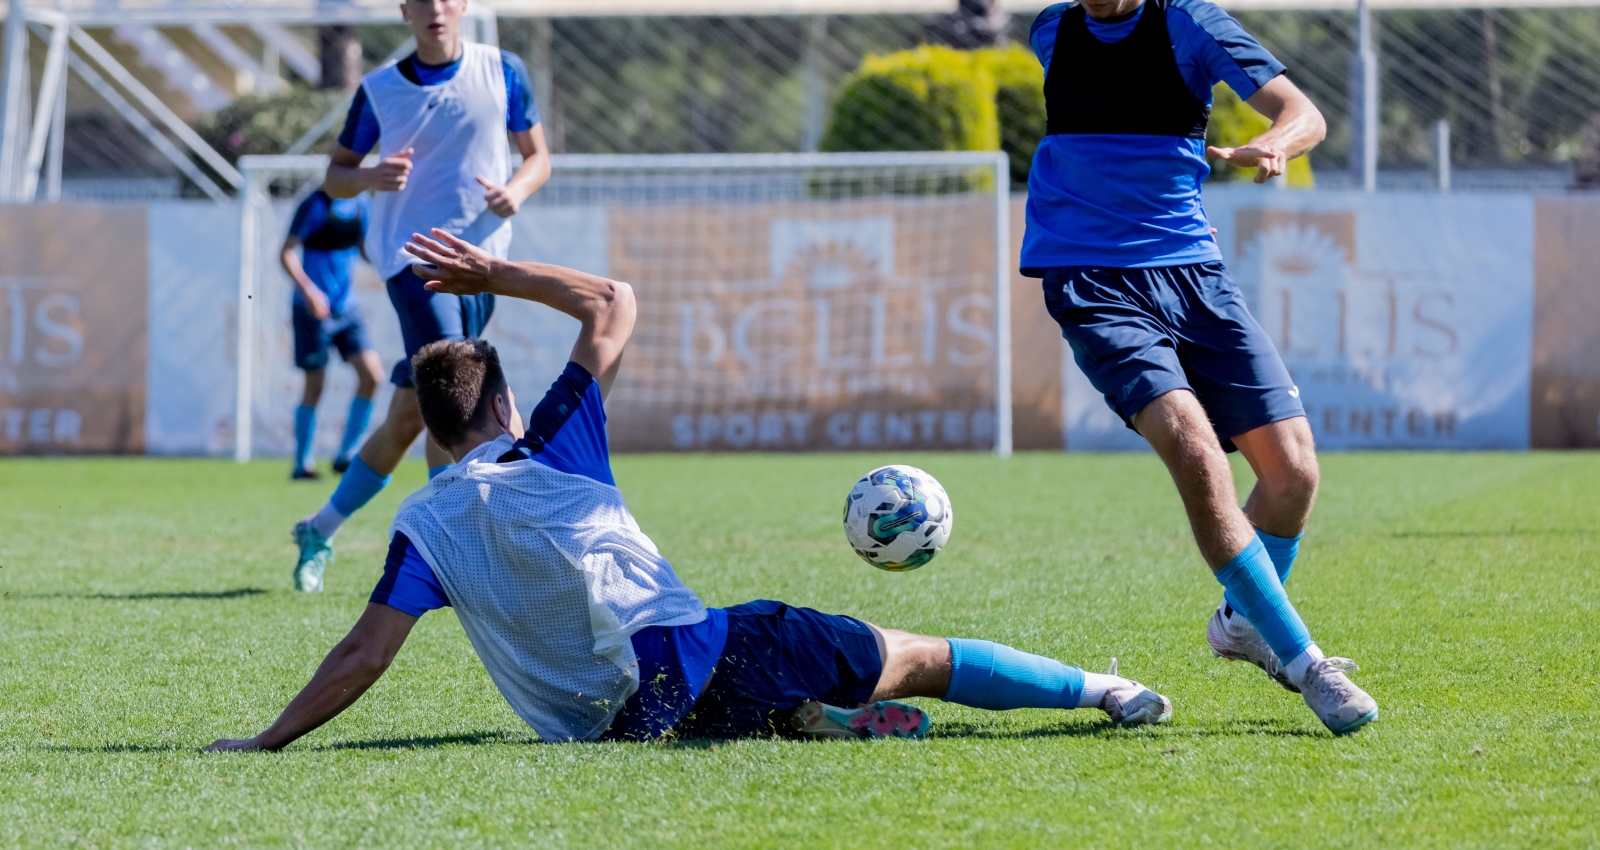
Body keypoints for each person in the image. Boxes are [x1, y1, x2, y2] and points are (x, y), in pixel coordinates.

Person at [205, 230, 1173, 751]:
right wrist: (497, 270)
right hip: (700, 654)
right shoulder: (555, 447)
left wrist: (268, 736)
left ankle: (804, 717)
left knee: (747, 691)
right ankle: (1107, 688)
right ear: (504, 405)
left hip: (620, 724)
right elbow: (613, 300)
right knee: (917, 653)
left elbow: (364, 653)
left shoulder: (421, 527)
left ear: (429, 426)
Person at [1022, 0, 1377, 734]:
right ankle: (1309, 663)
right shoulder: (1049, 33)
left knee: (1291, 474)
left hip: (1192, 272)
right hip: (1090, 279)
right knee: (1196, 451)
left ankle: (1242, 624)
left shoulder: (1190, 27)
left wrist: (1274, 143)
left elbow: (1304, 111)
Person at [290, 0, 552, 592]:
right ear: (405, 12)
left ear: (462, 5)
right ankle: (460, 549)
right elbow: (335, 174)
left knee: (411, 416)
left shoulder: (502, 71)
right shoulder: (381, 89)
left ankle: (319, 527)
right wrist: (370, 177)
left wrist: (517, 191)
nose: (434, 8)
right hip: (412, 260)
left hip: (483, 261)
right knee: (458, 395)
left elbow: (538, 156)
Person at [279, 188, 382, 480]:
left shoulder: (362, 204)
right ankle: (303, 463)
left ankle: (347, 455)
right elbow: (285, 252)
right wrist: (309, 291)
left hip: (347, 309)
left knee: (372, 376)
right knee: (315, 384)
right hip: (312, 309)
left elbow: (365, 250)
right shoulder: (315, 204)